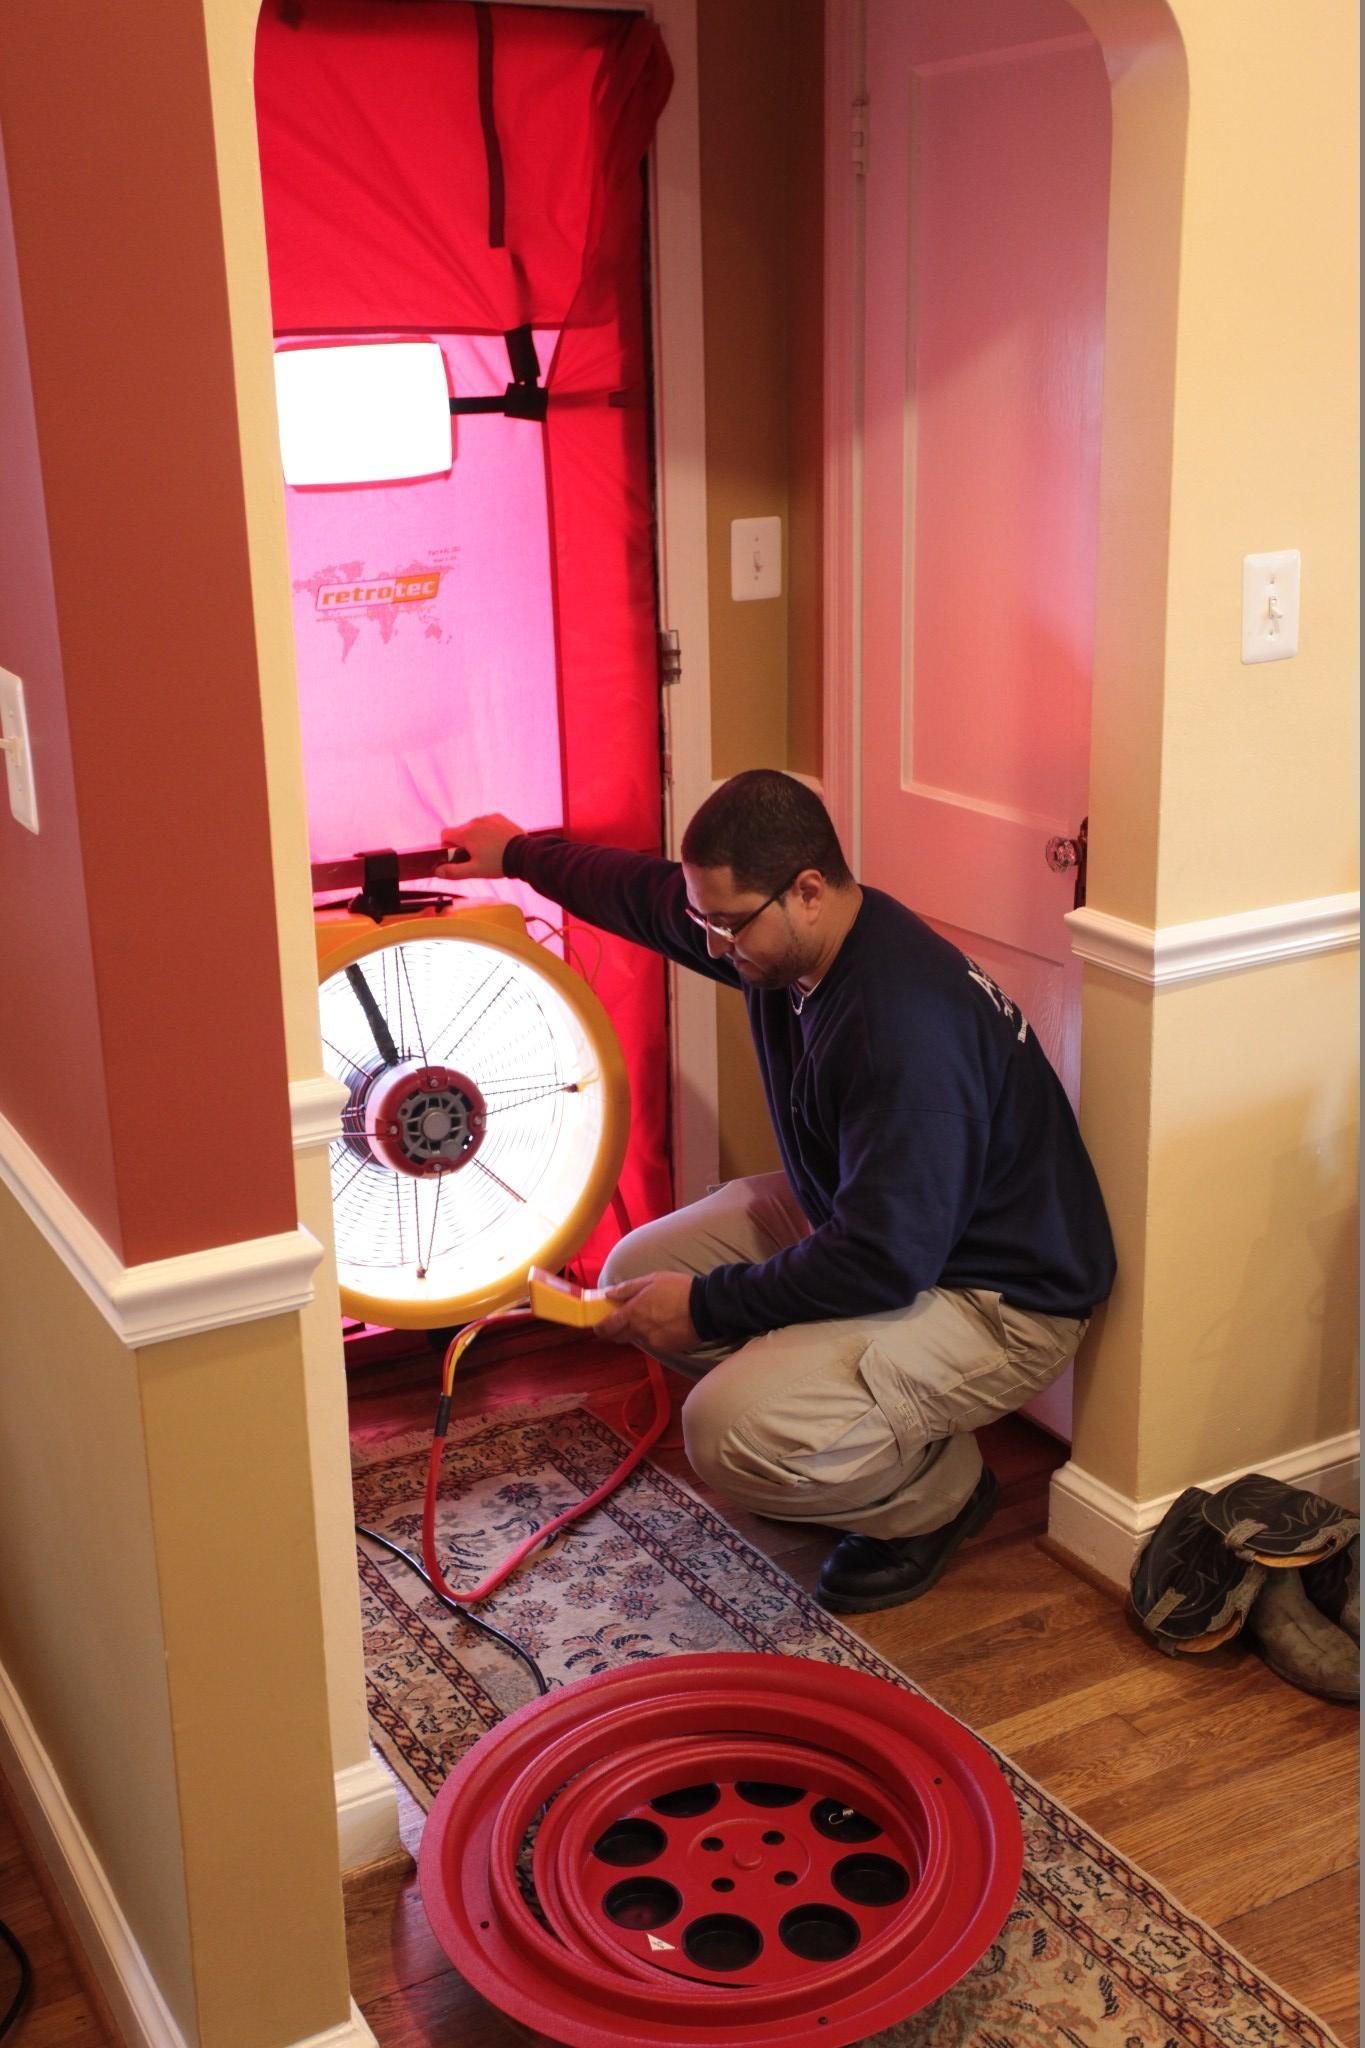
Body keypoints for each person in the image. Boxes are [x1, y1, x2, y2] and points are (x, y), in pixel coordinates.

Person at [437, 770, 1116, 1612]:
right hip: (889, 1225)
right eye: (706, 919)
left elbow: (884, 1259)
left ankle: (934, 1496)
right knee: (639, 1264)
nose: (713, 944)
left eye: (727, 924)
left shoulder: (900, 1030)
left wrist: (711, 1307)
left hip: (997, 1296)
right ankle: (830, 1399)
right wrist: (518, 854)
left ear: (808, 890)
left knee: (725, 1432)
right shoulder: (791, 945)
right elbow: (648, 900)